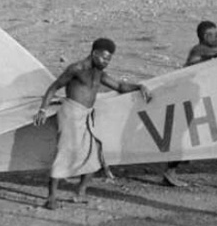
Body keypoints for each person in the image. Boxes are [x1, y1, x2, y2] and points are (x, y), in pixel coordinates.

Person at [33, 38, 151, 210]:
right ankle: (51, 198)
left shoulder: (99, 73)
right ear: (94, 53)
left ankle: (80, 193)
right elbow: (53, 87)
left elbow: (119, 86)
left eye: (109, 59)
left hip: (86, 116)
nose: (106, 62)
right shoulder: (76, 69)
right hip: (71, 114)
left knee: (94, 157)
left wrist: (140, 86)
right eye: (104, 58)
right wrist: (42, 110)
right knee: (64, 155)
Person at [155, 20, 217, 187]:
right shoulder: (200, 50)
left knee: (188, 137)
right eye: (214, 35)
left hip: (191, 96)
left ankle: (172, 170)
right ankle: (170, 172)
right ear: (204, 36)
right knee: (184, 137)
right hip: (184, 97)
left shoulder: (204, 51)